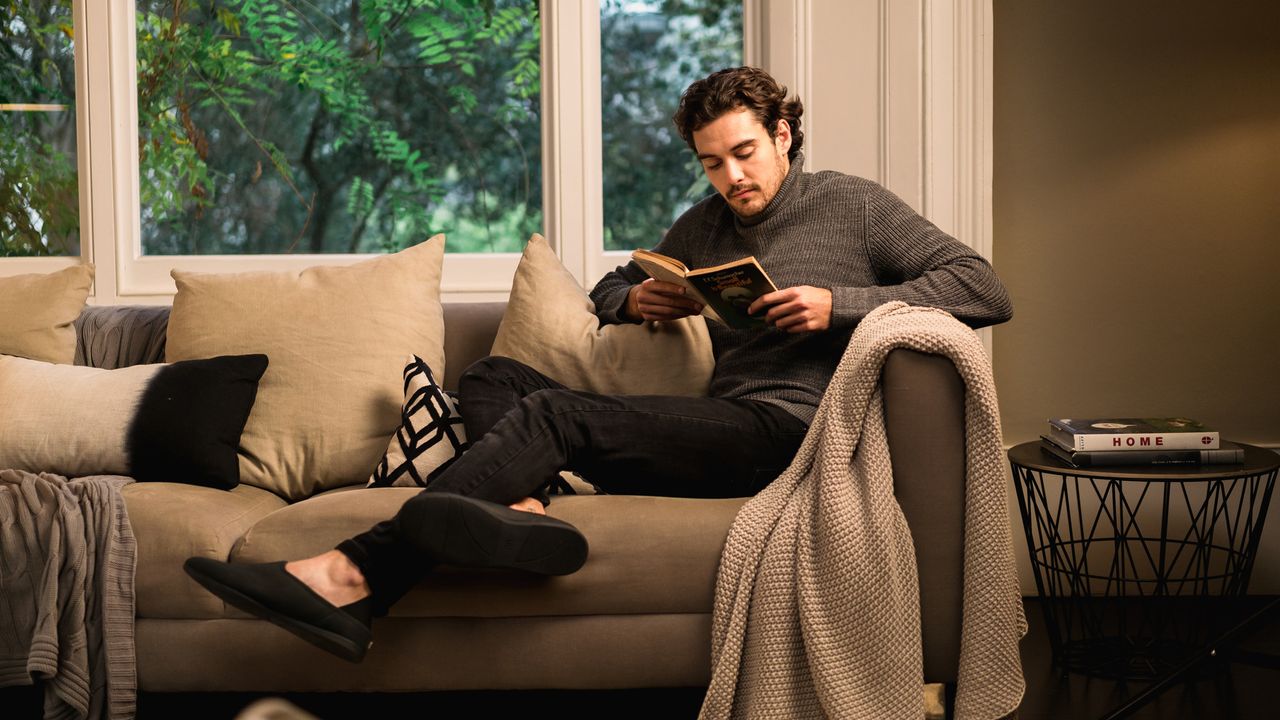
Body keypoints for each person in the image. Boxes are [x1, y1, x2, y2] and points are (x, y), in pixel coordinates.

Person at [183, 66, 1013, 663]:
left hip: (791, 431)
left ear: (784, 136)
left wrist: (842, 304)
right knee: (493, 378)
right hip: (722, 421)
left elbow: (983, 285)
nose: (732, 177)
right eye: (712, 162)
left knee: (554, 415)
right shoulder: (708, 222)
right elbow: (618, 278)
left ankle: (351, 574)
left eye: (746, 154)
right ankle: (520, 506)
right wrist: (636, 302)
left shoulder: (854, 205)